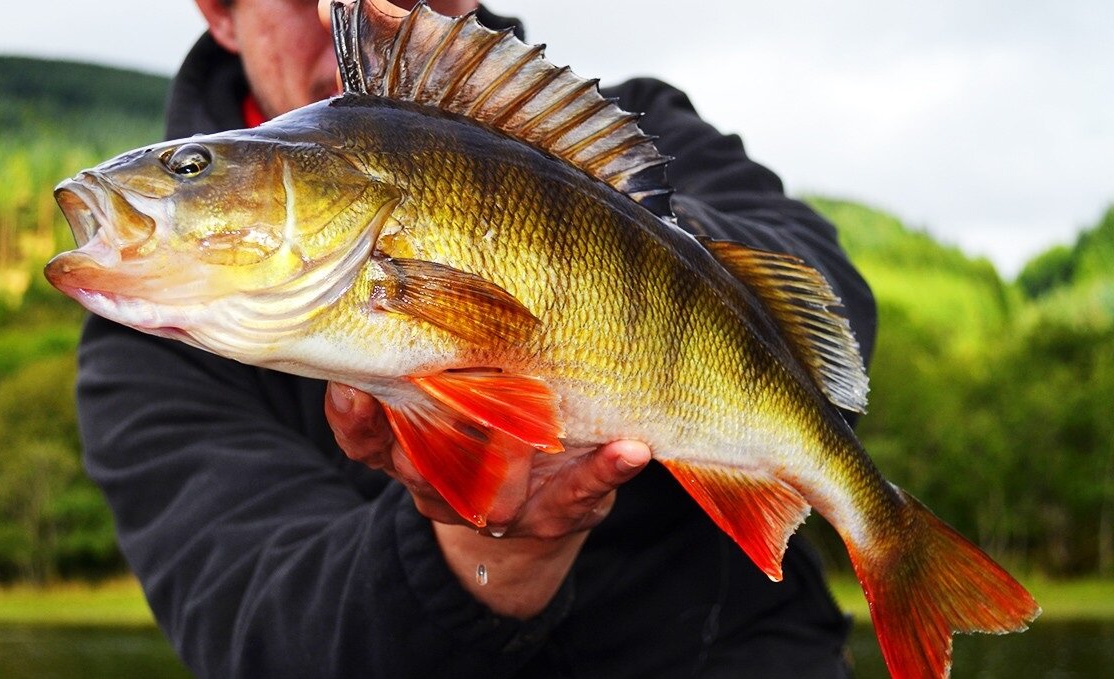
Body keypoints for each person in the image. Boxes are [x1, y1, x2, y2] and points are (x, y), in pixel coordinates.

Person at [76, 0, 877, 676]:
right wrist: (485, 557)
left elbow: (835, 297)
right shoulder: (145, 350)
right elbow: (268, 631)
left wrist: (616, 227)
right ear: (221, 10)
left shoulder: (642, 131)